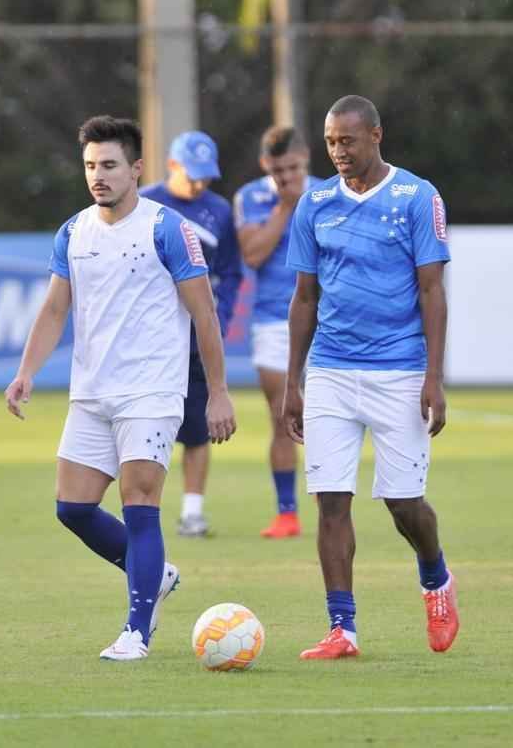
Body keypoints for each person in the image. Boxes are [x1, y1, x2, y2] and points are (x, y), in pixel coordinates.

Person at [4, 115, 237, 661]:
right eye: (90, 166)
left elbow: (204, 313)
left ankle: (137, 631)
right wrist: (26, 372)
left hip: (152, 392)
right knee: (74, 509)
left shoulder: (167, 229)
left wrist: (220, 392)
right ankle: (154, 574)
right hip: (92, 393)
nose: (98, 176)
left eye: (108, 165)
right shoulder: (73, 231)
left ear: (135, 169)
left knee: (140, 505)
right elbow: (56, 307)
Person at [281, 95, 459, 659]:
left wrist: (434, 375)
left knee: (404, 504)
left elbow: (433, 290)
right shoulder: (315, 205)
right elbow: (304, 297)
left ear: (376, 135)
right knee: (331, 501)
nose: (338, 152)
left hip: (400, 371)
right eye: (331, 142)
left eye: (347, 141)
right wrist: (294, 382)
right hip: (331, 370)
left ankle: (435, 577)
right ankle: (343, 629)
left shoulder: (416, 197)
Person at [139, 131, 242, 538]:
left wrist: (224, 314)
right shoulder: (144, 202)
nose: (199, 184)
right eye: (192, 175)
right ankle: (142, 513)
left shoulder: (218, 209)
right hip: (150, 336)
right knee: (144, 424)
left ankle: (193, 512)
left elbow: (231, 270)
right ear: (172, 165)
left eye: (206, 176)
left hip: (197, 334)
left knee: (199, 427)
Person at [233, 126, 322, 539]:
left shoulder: (329, 193)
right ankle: (287, 512)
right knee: (282, 415)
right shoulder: (252, 197)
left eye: (294, 169)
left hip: (327, 317)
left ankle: (330, 506)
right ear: (265, 166)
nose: (288, 178)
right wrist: (285, 208)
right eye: (279, 170)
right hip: (273, 319)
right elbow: (251, 254)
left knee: (328, 418)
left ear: (306, 158)